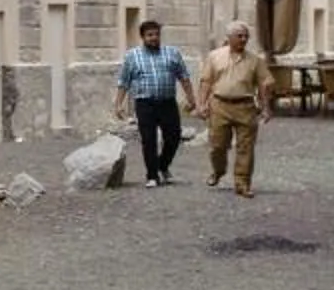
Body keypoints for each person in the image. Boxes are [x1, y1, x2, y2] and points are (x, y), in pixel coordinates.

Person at [113, 19, 195, 186]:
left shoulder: (172, 53)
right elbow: (124, 82)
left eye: (156, 34)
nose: (154, 38)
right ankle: (152, 176)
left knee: (173, 137)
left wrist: (191, 98)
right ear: (143, 37)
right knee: (148, 140)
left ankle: (162, 165)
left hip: (167, 102)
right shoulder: (132, 56)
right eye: (150, 35)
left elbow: (184, 76)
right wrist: (118, 104)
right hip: (145, 103)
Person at [198, 21, 272, 196]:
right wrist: (201, 104)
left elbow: (264, 84)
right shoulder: (215, 56)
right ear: (229, 37)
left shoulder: (255, 60)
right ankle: (218, 170)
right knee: (217, 145)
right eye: (239, 36)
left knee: (245, 147)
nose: (243, 39)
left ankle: (242, 182)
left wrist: (266, 107)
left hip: (245, 106)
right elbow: (206, 81)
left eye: (246, 36)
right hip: (219, 105)